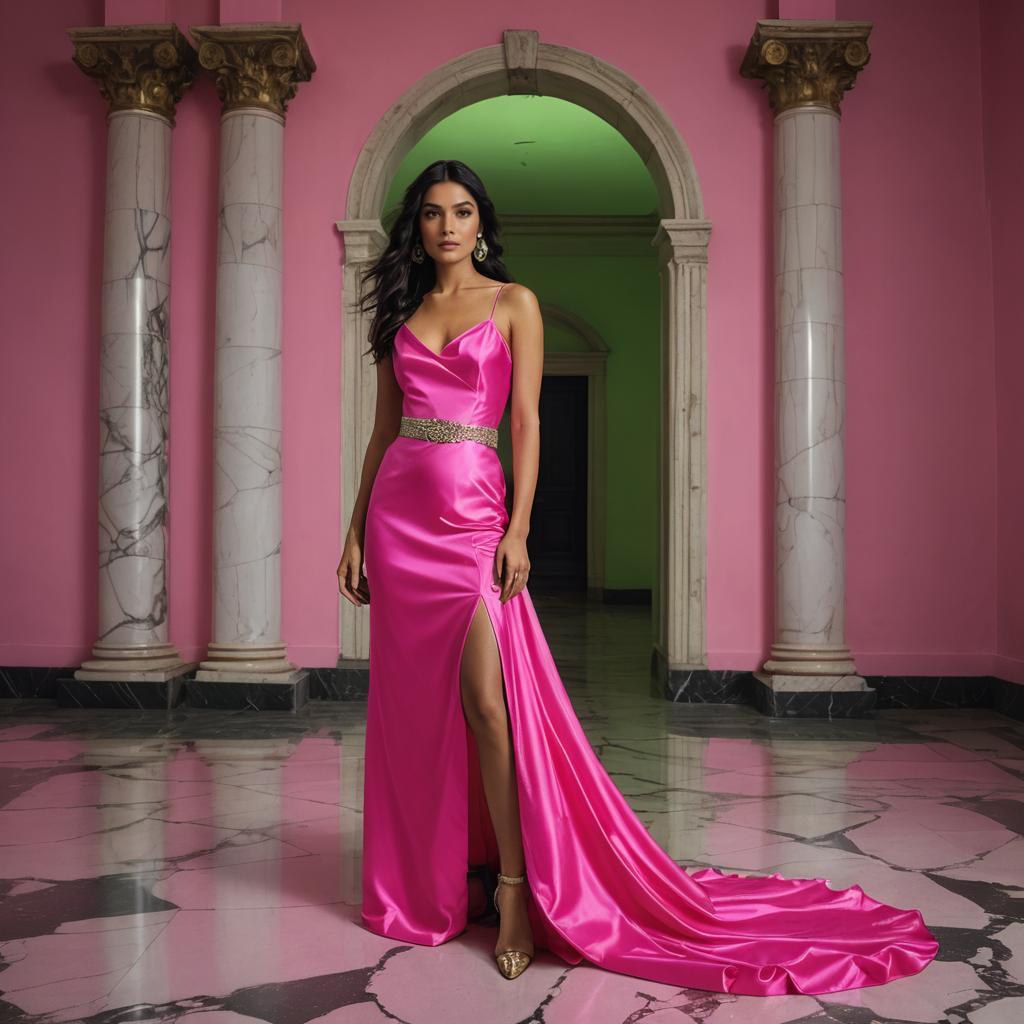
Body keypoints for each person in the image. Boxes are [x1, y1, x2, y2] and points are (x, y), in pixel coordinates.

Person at [336, 159, 939, 992]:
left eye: (463, 211)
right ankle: (426, 879)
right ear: (419, 225)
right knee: (412, 709)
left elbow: (529, 423)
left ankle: (514, 889)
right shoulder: (402, 312)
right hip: (399, 522)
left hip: (473, 519)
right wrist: (354, 531)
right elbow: (381, 430)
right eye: (434, 212)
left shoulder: (515, 304)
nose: (447, 226)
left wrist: (518, 530)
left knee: (486, 704)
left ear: (483, 224)